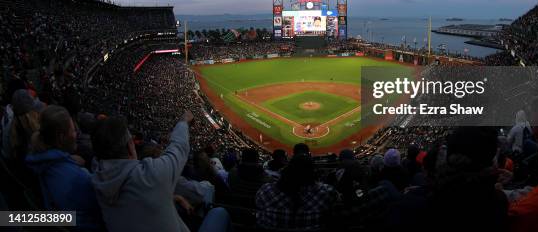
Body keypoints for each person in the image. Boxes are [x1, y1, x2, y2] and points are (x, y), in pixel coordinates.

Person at [91, 111, 230, 232]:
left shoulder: (96, 182)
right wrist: (183, 122)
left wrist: (175, 197)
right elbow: (179, 148)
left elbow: (69, 218)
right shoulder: (149, 175)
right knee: (220, 213)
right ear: (130, 146)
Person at [26, 105, 104, 231]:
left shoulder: (39, 158)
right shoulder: (78, 179)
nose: (76, 134)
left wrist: (66, 159)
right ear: (61, 137)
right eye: (73, 130)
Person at [256, 153, 337, 230]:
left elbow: (259, 209)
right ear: (313, 173)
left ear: (288, 169)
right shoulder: (327, 192)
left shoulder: (265, 191)